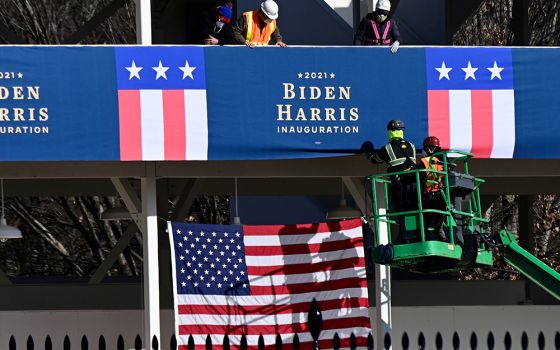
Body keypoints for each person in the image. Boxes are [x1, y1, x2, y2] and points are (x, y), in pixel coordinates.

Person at [368, 119, 417, 241]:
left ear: (390, 132)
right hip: (415, 184)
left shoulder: (388, 148)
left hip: (400, 185)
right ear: (402, 131)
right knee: (415, 209)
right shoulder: (412, 146)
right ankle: (418, 236)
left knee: (401, 211)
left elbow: (375, 159)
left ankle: (406, 238)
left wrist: (369, 154)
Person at [418, 136, 447, 241]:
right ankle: (442, 238)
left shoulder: (425, 161)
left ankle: (423, 240)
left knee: (423, 222)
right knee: (439, 222)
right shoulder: (443, 160)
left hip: (430, 197)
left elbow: (420, 179)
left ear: (428, 149)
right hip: (442, 196)